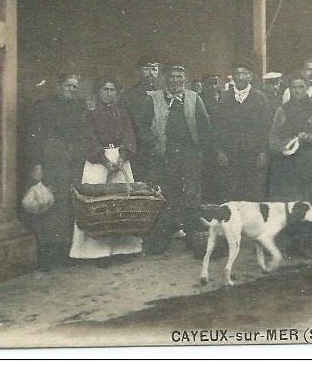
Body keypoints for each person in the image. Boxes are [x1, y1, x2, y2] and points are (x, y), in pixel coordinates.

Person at [69, 78, 143, 265]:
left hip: (120, 158)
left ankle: (123, 249)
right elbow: (88, 137)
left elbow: (129, 134)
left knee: (123, 203)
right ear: (98, 91)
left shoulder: (123, 111)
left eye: (112, 89)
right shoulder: (90, 112)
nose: (109, 93)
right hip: (97, 160)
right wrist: (103, 159)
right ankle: (95, 253)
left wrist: (122, 156)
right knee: (96, 203)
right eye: (105, 89)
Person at [142, 65, 212, 255]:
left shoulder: (194, 98)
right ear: (165, 80)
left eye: (180, 77)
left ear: (185, 79)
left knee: (191, 199)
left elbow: (205, 127)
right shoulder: (153, 99)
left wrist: (200, 152)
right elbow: (142, 128)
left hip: (189, 156)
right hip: (164, 156)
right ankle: (161, 242)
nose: (176, 81)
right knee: (165, 198)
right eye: (172, 77)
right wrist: (153, 145)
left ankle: (194, 241)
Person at [23, 74, 86, 271]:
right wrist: (38, 164)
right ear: (58, 87)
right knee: (47, 205)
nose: (72, 90)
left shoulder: (78, 108)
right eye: (68, 86)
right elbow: (35, 138)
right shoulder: (44, 107)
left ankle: (65, 253)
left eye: (75, 87)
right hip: (51, 163)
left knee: (68, 209)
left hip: (70, 163)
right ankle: (46, 256)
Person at [208, 63, 269, 203]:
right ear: (233, 76)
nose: (241, 77)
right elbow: (217, 127)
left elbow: (266, 127)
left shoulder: (260, 98)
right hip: (231, 156)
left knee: (253, 193)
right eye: (237, 73)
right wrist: (219, 151)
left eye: (244, 73)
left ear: (251, 76)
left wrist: (263, 151)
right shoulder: (224, 98)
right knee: (230, 194)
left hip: (253, 156)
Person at [268, 75, 312, 203]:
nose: (298, 91)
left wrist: (307, 137)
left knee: (310, 203)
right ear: (289, 89)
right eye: (294, 87)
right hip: (287, 164)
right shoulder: (282, 110)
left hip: (310, 162)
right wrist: (281, 146)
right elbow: (273, 137)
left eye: (301, 87)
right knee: (288, 202)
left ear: (306, 88)